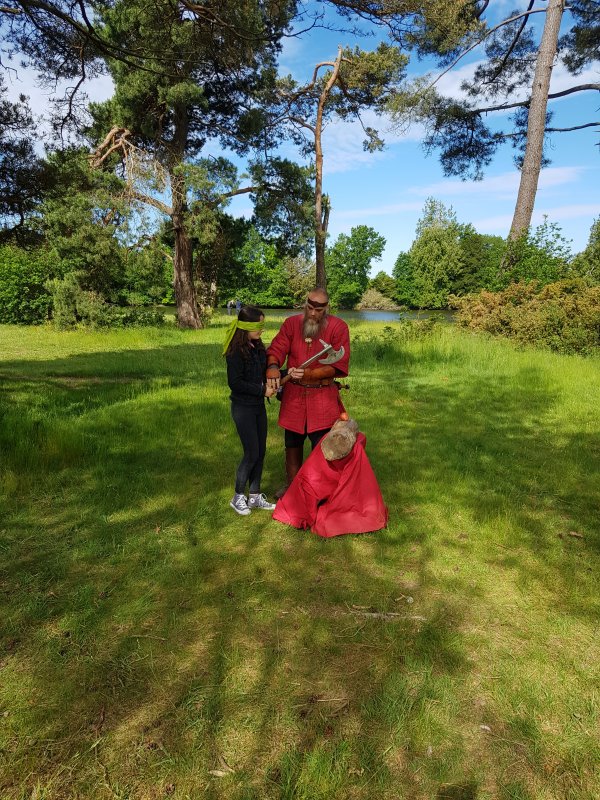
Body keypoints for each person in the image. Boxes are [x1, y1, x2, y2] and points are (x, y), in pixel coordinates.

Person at [266, 288, 350, 497]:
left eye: (318, 310)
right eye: (309, 307)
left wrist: (310, 374)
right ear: (305, 304)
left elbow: (338, 365)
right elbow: (277, 348)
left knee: (321, 446)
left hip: (322, 397)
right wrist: (273, 367)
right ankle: (292, 488)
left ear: (327, 308)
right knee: (292, 443)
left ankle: (318, 492)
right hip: (294, 396)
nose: (312, 313)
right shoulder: (291, 324)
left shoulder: (338, 327)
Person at [224, 305, 276, 515]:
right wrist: (262, 390)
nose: (262, 329)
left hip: (258, 408)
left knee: (261, 452)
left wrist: (285, 373)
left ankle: (254, 496)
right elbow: (235, 383)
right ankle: (238, 497)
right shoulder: (235, 352)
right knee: (251, 452)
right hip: (242, 408)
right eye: (258, 326)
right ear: (246, 327)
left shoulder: (258, 347)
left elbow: (263, 374)